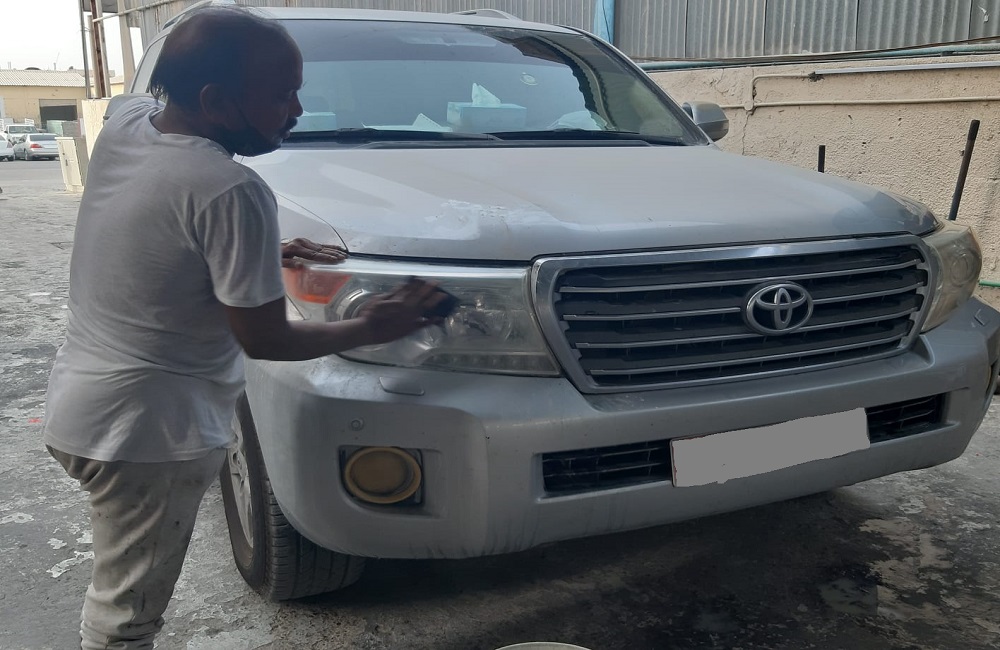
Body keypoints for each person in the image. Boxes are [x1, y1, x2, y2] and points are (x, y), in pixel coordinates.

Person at [42, 7, 443, 649]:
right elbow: (267, 339)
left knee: (121, 589)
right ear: (215, 102)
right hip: (147, 434)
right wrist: (375, 324)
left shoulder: (127, 127)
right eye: (281, 95)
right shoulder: (230, 189)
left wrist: (259, 251)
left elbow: (160, 221)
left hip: (83, 405)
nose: (297, 110)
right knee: (125, 617)